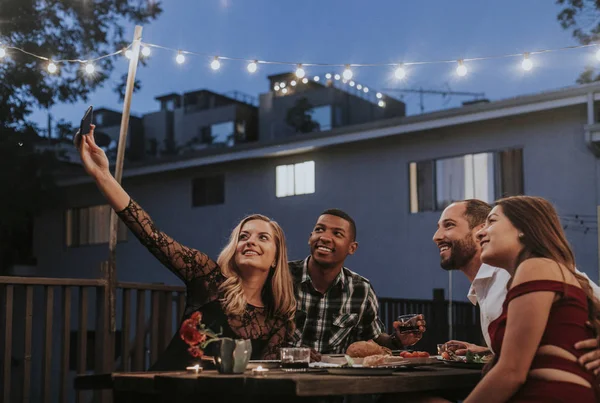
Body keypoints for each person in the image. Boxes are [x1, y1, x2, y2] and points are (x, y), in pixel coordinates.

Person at [76, 127, 296, 370]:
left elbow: (268, 377)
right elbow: (151, 235)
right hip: (168, 390)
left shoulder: (277, 320)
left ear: (276, 258)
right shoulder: (207, 277)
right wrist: (102, 174)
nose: (250, 241)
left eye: (262, 237)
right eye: (243, 236)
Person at [462, 196, 600, 402]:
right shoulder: (541, 271)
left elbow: (511, 372)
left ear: (523, 228)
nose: (480, 233)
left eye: (492, 221)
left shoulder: (536, 266)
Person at [290, 209, 425, 355]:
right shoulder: (282, 277)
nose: (325, 237)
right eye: (319, 230)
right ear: (310, 238)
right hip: (282, 374)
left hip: (334, 376)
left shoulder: (361, 289)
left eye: (337, 234)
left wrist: (398, 339)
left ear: (352, 248)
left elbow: (374, 340)